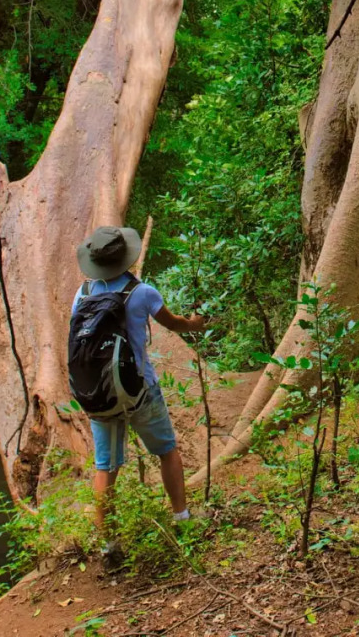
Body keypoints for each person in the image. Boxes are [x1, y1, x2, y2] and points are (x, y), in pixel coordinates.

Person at [72, 225, 207, 565]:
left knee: (106, 467)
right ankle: (182, 519)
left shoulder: (83, 292)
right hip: (139, 390)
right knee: (166, 450)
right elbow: (173, 323)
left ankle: (108, 546)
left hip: (99, 394)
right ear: (126, 258)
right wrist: (195, 324)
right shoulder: (142, 291)